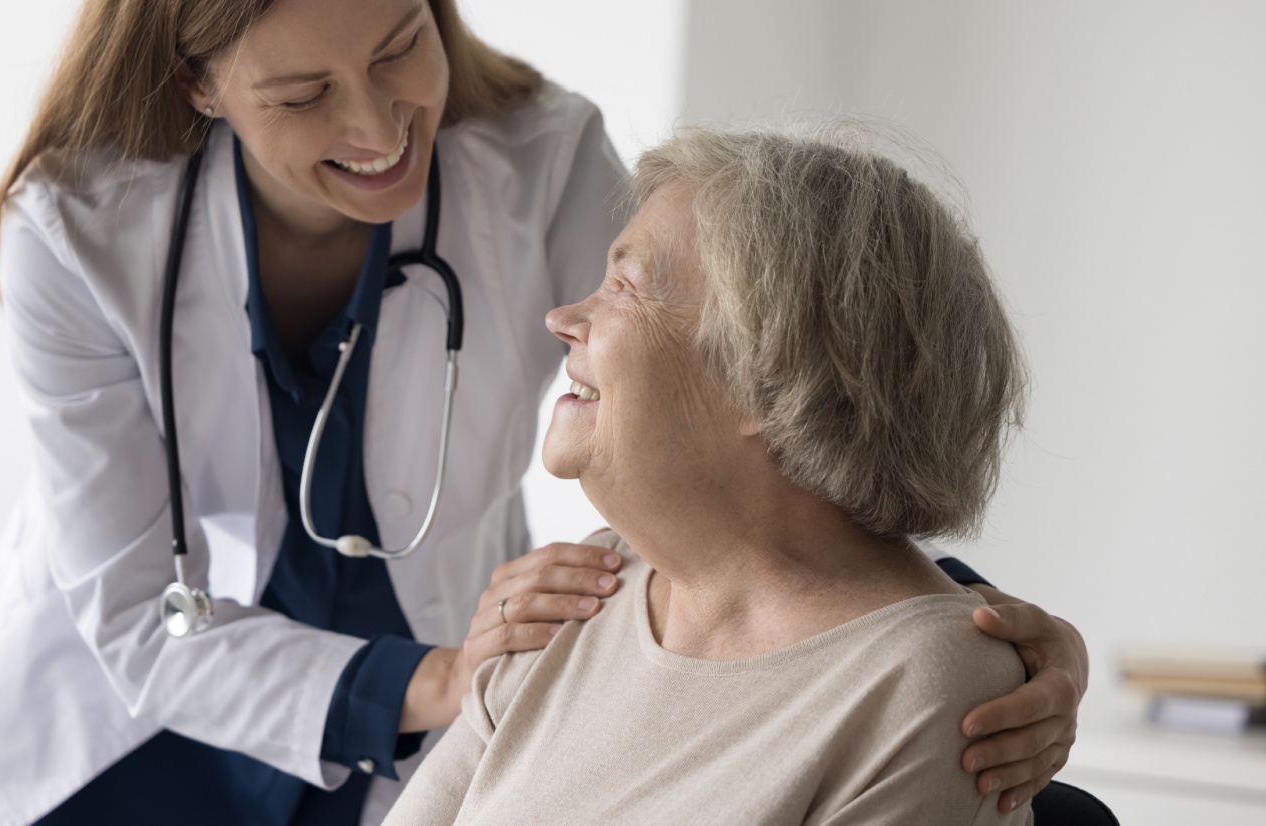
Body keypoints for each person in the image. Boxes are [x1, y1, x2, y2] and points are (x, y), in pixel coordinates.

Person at [0, 0, 1086, 826]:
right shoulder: (76, 231)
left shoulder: (538, 155)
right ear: (200, 87)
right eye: (306, 95)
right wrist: (443, 678)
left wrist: (956, 620)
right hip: (142, 728)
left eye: (399, 50)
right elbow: (133, 618)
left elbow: (740, 388)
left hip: (443, 709)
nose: (378, 130)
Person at [385, 123, 1039, 825]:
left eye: (622, 288)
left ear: (770, 377)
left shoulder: (924, 686)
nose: (562, 318)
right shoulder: (581, 591)